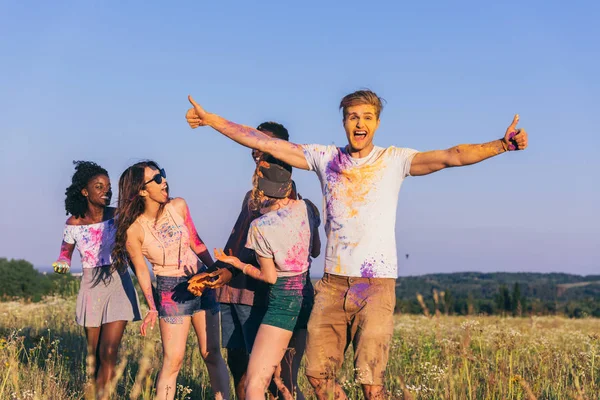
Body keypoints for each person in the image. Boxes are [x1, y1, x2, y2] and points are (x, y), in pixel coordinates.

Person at [185, 89, 529, 399]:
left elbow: (451, 156)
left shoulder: (394, 160)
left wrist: (502, 144)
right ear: (344, 122)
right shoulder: (325, 158)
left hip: (375, 286)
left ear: (377, 123)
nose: (359, 123)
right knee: (318, 377)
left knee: (371, 382)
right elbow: (265, 143)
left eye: (367, 117)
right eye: (353, 117)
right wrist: (211, 119)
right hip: (333, 285)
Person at [190, 122, 299, 399]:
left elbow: (275, 250)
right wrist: (214, 271)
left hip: (257, 295)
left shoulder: (289, 197)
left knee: (263, 373)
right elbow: (236, 245)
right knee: (237, 364)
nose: (257, 149)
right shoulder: (250, 197)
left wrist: (229, 271)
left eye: (265, 144)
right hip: (231, 293)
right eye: (255, 143)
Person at [111, 161, 229, 400]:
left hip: (201, 281)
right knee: (173, 360)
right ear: (141, 190)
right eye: (156, 179)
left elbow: (196, 242)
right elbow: (142, 271)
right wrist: (152, 307)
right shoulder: (134, 230)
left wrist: (215, 270)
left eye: (162, 175)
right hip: (171, 292)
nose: (163, 181)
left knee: (212, 353)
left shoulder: (179, 205)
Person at [212, 161, 320, 400]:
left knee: (254, 384)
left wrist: (238, 264)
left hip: (282, 301)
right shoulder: (307, 208)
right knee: (288, 382)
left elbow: (269, 276)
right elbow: (315, 250)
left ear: (260, 191)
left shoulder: (260, 226)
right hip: (305, 298)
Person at [52, 161, 141, 400]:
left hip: (119, 282)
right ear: (85, 191)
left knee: (109, 351)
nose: (106, 191)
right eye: (99, 187)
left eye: (108, 187)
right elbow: (65, 251)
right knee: (94, 357)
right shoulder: (74, 223)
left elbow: (132, 249)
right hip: (91, 286)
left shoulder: (118, 216)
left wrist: (145, 282)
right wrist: (63, 263)